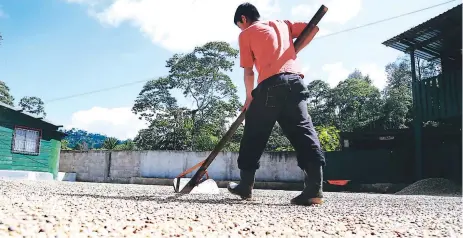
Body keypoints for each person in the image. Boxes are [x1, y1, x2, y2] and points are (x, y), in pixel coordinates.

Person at [227, 2, 326, 206]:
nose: (241, 29)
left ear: (244, 19)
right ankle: (315, 189)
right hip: (295, 82)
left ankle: (245, 186)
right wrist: (292, 52)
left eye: (239, 25)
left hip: (270, 84)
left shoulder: (246, 33)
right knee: (303, 131)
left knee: (254, 133)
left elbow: (248, 71)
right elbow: (312, 28)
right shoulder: (283, 24)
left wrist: (248, 98)